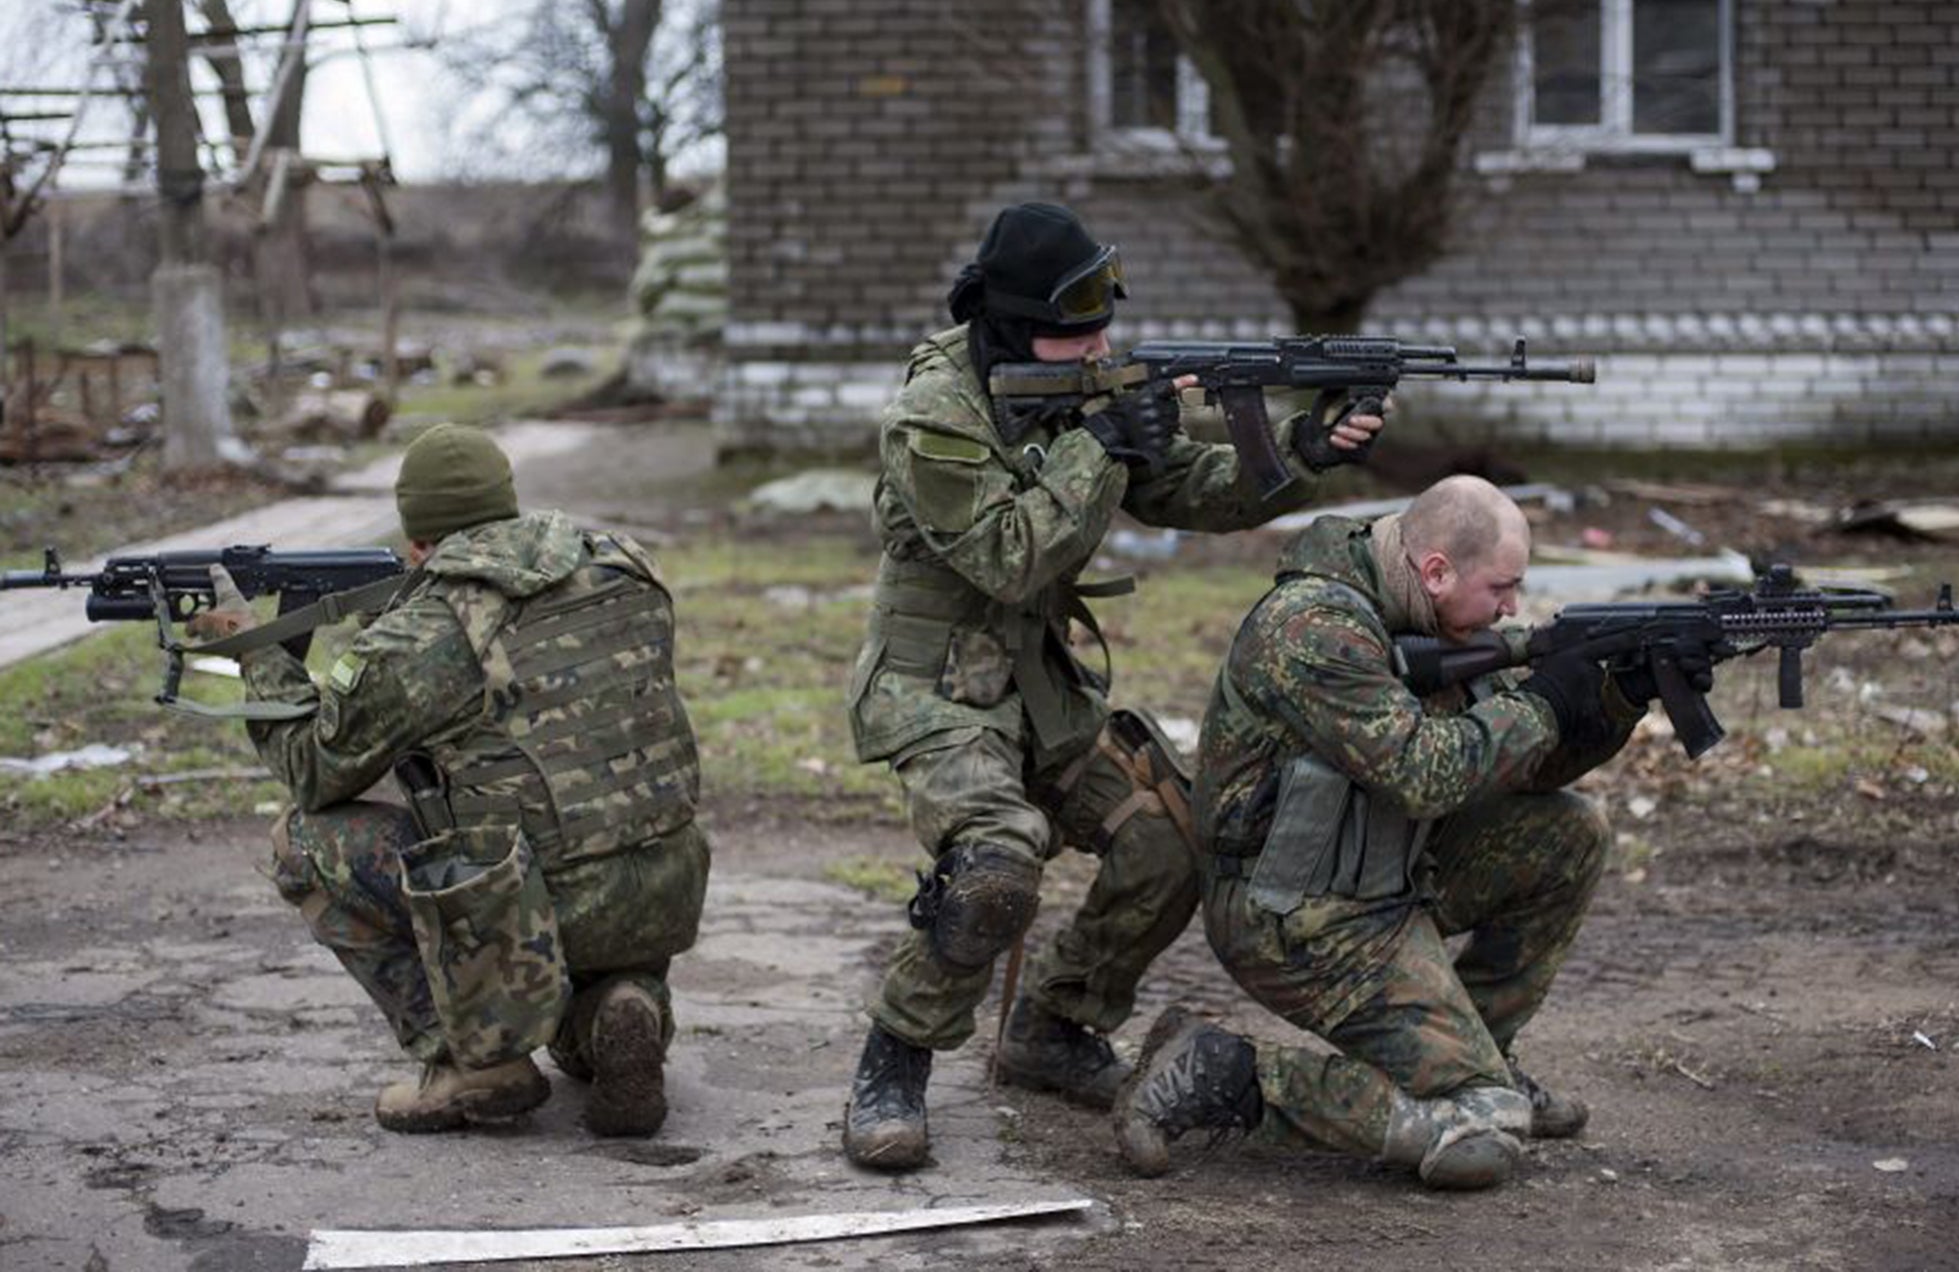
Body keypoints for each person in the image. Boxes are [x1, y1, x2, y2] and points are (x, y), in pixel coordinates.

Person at [840, 200, 1383, 1170]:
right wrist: (1103, 442)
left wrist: (1301, 452)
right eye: (1073, 324)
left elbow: (1179, 489)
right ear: (1008, 324)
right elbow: (1008, 557)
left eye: (1104, 318)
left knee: (1170, 840)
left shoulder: (1079, 385)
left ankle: (1051, 1025)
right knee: (996, 867)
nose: (1097, 340)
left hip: (1037, 683)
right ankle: (894, 1060)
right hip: (934, 688)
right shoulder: (935, 417)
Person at [1113, 475, 1715, 1189]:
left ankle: (1478, 1058)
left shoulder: (1432, 618)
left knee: (1568, 833)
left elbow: (1520, 768)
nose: (1512, 608)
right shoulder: (1315, 629)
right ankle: (1222, 1071)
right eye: (1501, 588)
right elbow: (1421, 773)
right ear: (1435, 571)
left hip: (1388, 876)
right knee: (1482, 1135)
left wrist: (1616, 698)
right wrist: (1547, 701)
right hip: (1297, 916)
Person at [190, 423, 711, 1138]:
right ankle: (621, 1007)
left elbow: (313, 770)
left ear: (417, 540)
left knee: (302, 843)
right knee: (567, 846)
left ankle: (469, 1061)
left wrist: (253, 651)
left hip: (529, 907)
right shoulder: (624, 565)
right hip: (659, 889)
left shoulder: (428, 631)